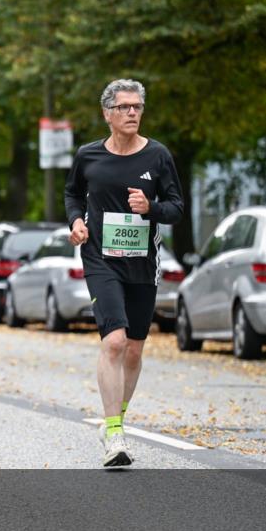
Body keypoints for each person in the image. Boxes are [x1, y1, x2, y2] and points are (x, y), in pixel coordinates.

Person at [64, 79, 184, 468]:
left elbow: (176, 208)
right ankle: (114, 431)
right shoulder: (88, 156)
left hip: (142, 263)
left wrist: (150, 208)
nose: (132, 112)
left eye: (138, 107)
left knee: (134, 348)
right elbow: (71, 194)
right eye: (125, 107)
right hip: (101, 260)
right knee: (114, 342)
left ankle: (118, 414)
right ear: (107, 114)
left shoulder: (158, 156)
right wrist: (76, 222)